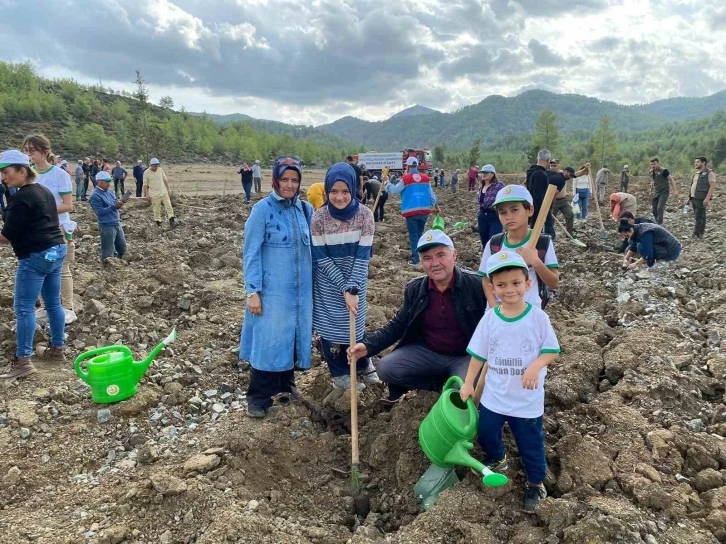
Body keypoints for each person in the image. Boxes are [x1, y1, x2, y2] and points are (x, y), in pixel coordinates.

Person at [460, 250, 559, 513]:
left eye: (516, 283)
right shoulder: (490, 319)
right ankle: (499, 458)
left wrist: (535, 366)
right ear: (492, 288)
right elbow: (478, 355)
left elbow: (551, 351)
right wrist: (469, 383)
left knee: (530, 444)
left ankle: (536, 483)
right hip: (495, 396)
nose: (510, 290)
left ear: (527, 284)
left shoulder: (538, 318)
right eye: (501, 285)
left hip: (526, 401)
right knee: (486, 432)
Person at [348, 229, 487, 401]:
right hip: (429, 352)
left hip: (466, 356)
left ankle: (451, 387)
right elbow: (398, 325)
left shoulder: (477, 285)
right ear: (421, 262)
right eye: (427, 258)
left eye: (441, 255)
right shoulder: (415, 289)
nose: (435, 263)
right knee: (386, 367)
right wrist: (368, 346)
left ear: (454, 255)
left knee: (464, 392)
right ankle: (434, 388)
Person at [239, 156, 313, 418]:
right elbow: (251, 253)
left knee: (291, 338)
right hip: (273, 292)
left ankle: (286, 385)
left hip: (300, 293)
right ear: (275, 180)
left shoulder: (304, 210)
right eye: (285, 179)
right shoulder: (261, 210)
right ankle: (258, 397)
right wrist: (252, 291)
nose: (290, 185)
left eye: (294, 180)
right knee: (269, 341)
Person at [0, 150, 68, 380]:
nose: (3, 177)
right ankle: (58, 349)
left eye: (6, 172)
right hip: (56, 251)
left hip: (36, 255)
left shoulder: (22, 198)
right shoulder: (44, 191)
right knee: (53, 304)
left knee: (24, 308)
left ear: (22, 170)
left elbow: (6, 236)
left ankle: (23, 361)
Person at [312, 163, 379, 390]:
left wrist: (352, 288)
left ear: (353, 189)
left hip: (356, 279)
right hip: (329, 283)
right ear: (327, 191)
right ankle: (339, 372)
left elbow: (362, 257)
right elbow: (322, 258)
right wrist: (343, 288)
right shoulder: (318, 219)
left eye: (345, 191)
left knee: (356, 324)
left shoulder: (365, 216)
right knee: (332, 328)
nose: (339, 197)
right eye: (333, 191)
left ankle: (362, 363)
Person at [23, 134, 77, 324]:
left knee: (61, 268)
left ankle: (68, 307)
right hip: (36, 231)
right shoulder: (28, 175)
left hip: (58, 228)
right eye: (27, 151)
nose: (30, 155)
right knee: (39, 267)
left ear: (45, 152)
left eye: (33, 151)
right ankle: (46, 307)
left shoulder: (59, 175)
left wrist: (43, 211)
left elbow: (68, 205)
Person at [480, 185, 559, 310]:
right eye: (502, 212)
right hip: (499, 313)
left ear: (530, 210)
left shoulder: (542, 242)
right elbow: (486, 279)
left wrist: (535, 261)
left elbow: (554, 283)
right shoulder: (494, 243)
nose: (509, 216)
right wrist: (494, 307)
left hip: (530, 313)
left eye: (514, 210)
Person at [386, 157, 438, 265]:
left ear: (408, 166)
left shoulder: (406, 179)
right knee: (420, 234)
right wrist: (435, 206)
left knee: (414, 236)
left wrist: (387, 183)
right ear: (417, 166)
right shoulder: (425, 178)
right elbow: (432, 197)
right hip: (424, 212)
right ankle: (423, 257)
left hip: (411, 213)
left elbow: (395, 190)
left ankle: (415, 259)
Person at [89, 171, 127, 264]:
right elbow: (100, 212)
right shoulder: (95, 196)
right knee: (108, 252)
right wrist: (114, 207)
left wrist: (119, 203)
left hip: (116, 223)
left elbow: (114, 202)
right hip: (107, 226)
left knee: (123, 248)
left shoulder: (110, 192)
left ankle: (119, 266)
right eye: (106, 181)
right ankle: (107, 270)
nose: (109, 183)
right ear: (99, 181)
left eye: (109, 181)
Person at [526, 149, 564, 239]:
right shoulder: (540, 174)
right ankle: (546, 246)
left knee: (535, 231)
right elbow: (538, 195)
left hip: (532, 206)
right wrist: (543, 212)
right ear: (548, 160)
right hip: (540, 208)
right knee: (543, 233)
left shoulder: (531, 172)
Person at [685, 156, 716, 238]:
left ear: (703, 163)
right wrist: (689, 198)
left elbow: (712, 186)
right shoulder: (696, 174)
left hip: (701, 198)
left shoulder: (709, 173)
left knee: (698, 216)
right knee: (701, 215)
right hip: (694, 197)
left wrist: (707, 198)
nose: (695, 163)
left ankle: (696, 233)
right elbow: (693, 186)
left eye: (697, 162)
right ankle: (700, 233)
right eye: (695, 162)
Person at [477, 164, 504, 248]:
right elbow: (481, 204)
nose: (483, 174)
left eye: (486, 172)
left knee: (494, 241)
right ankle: (486, 259)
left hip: (494, 216)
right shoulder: (481, 187)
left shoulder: (499, 185)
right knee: (484, 241)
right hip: (482, 216)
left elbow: (504, 199)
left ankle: (495, 259)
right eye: (482, 172)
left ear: (492, 174)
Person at [143, 158, 175, 228]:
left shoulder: (160, 170)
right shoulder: (146, 173)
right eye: (154, 166)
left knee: (169, 206)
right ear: (150, 165)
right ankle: (158, 222)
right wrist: (147, 194)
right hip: (154, 194)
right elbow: (145, 184)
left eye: (157, 165)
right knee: (156, 209)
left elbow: (165, 180)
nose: (156, 167)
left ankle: (172, 220)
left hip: (163, 192)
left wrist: (169, 189)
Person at [554, 166, 583, 236]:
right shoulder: (553, 175)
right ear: (565, 171)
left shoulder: (565, 176)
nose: (570, 178)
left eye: (555, 165)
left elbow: (577, 174)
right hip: (553, 201)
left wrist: (585, 169)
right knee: (550, 219)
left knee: (570, 214)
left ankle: (569, 234)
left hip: (563, 200)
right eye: (552, 165)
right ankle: (549, 234)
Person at [649, 157, 678, 225]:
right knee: (654, 210)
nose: (653, 166)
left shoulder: (664, 171)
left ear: (658, 163)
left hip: (664, 191)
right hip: (656, 192)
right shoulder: (651, 172)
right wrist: (650, 191)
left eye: (654, 164)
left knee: (660, 208)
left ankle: (659, 224)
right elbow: (653, 182)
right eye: (651, 164)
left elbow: (671, 179)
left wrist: (674, 190)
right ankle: (657, 221)